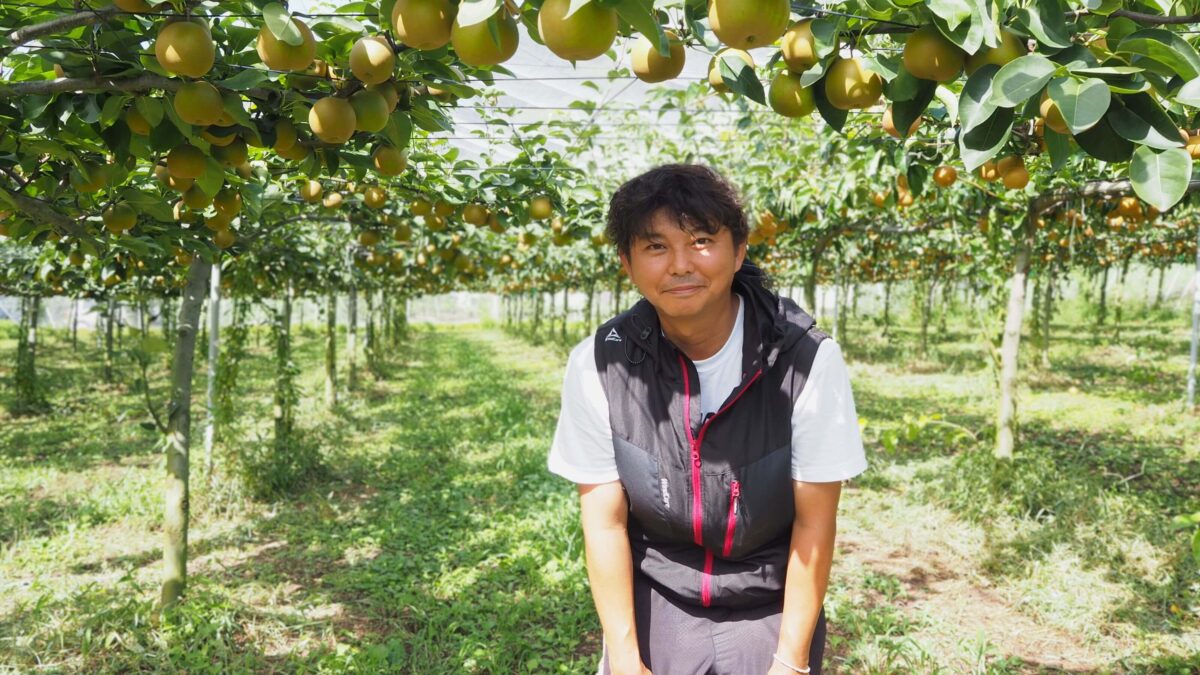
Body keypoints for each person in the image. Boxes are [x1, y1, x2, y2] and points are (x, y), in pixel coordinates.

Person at [548, 164, 868, 675]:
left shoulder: (804, 361)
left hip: (769, 594)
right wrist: (626, 661)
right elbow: (604, 523)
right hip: (659, 590)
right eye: (655, 247)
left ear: (739, 251)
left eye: (701, 240)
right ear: (626, 263)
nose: (680, 265)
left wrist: (789, 662)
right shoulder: (600, 364)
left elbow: (815, 521)